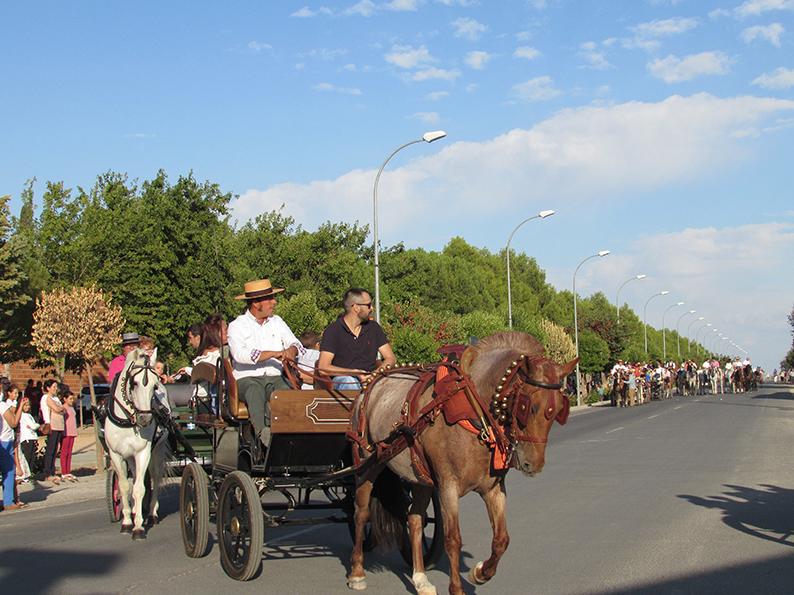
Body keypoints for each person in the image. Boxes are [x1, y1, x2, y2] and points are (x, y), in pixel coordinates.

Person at [227, 279, 305, 447]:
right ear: (255, 303)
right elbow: (239, 354)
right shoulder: (237, 326)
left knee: (289, 394)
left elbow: (294, 342)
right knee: (254, 390)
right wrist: (273, 354)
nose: (274, 302)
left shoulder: (277, 322)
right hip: (247, 378)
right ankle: (263, 434)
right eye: (269, 299)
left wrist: (291, 350)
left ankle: (295, 435)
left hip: (274, 377)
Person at [318, 288, 396, 390]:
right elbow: (323, 367)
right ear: (356, 307)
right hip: (343, 380)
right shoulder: (333, 331)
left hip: (371, 379)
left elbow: (390, 358)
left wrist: (375, 374)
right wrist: (354, 373)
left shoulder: (373, 328)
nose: (372, 308)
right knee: (350, 382)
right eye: (368, 305)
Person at [1, 386, 26, 510]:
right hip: (4, 441)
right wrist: (21, 407)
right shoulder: (2, 405)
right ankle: (8, 501)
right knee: (9, 471)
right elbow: (13, 422)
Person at [41, 379, 63, 484]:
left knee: (55, 449)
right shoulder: (46, 397)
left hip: (59, 426)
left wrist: (60, 409)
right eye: (53, 387)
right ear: (48, 388)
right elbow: (57, 409)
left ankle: (53, 472)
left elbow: (62, 409)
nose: (55, 389)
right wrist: (59, 409)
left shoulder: (56, 398)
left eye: (56, 387)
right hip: (51, 426)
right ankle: (48, 473)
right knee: (50, 449)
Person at [17, 396, 39, 484]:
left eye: (28, 405)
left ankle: (28, 475)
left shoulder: (29, 415)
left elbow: (33, 426)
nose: (27, 407)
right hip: (26, 438)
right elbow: (33, 426)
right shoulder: (23, 415)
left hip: (31, 437)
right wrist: (37, 425)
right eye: (25, 405)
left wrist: (35, 425)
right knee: (27, 458)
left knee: (32, 457)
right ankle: (25, 476)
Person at [59, 391, 79, 482]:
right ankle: (64, 472)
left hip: (72, 431)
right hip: (66, 432)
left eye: (72, 399)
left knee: (69, 452)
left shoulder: (71, 408)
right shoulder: (63, 408)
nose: (71, 401)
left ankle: (68, 471)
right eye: (70, 399)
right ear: (64, 399)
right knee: (64, 452)